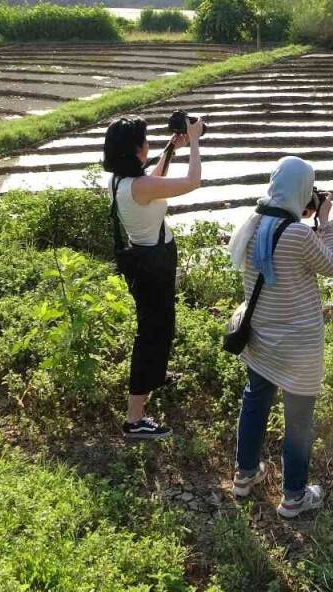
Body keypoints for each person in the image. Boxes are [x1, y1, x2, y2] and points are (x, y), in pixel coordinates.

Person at [227, 157, 333, 519]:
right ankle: (293, 497)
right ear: (301, 191)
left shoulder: (251, 223)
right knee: (299, 422)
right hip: (299, 347)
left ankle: (245, 475)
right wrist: (324, 222)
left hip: (261, 338)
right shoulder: (297, 234)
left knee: (255, 401)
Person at [103, 115, 203, 440]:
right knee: (150, 335)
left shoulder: (123, 181)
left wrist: (171, 148)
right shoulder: (140, 187)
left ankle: (156, 376)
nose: (148, 144)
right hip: (153, 265)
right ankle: (134, 419)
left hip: (147, 261)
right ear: (134, 150)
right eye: (144, 140)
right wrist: (195, 139)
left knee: (161, 326)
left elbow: (154, 179)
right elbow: (192, 182)